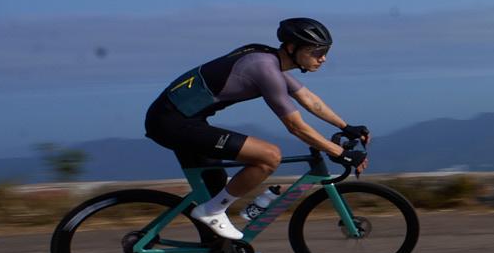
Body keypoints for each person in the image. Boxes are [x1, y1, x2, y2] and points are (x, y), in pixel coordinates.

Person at [143, 17, 368, 240]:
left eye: (325, 51)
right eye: (317, 52)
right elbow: (296, 127)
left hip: (183, 120)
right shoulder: (264, 69)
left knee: (216, 184)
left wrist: (346, 126)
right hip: (172, 123)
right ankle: (212, 213)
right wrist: (341, 153)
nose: (323, 58)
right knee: (269, 156)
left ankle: (222, 248)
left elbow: (309, 99)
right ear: (292, 47)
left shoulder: (269, 61)